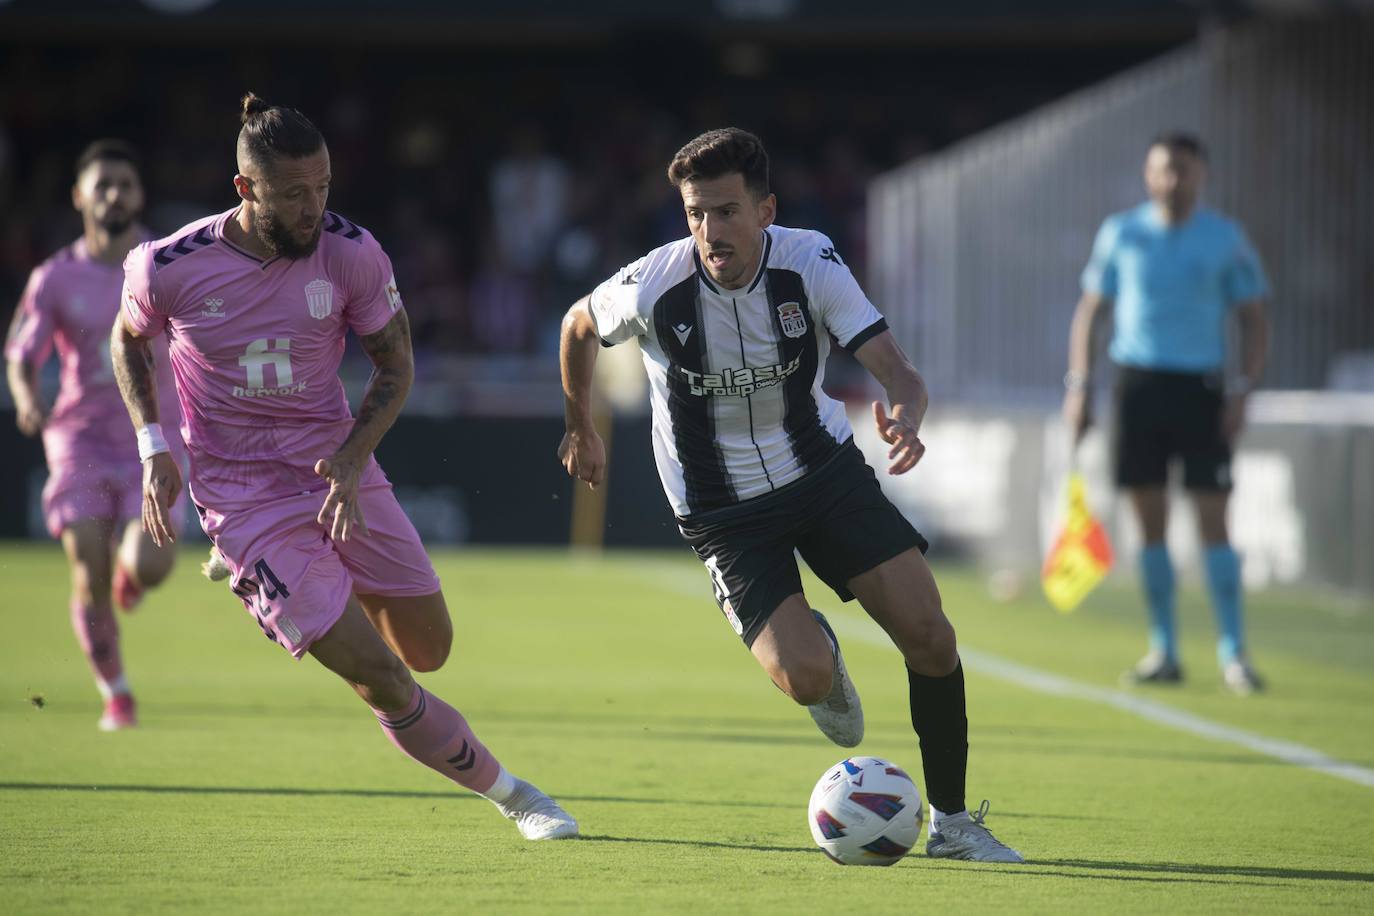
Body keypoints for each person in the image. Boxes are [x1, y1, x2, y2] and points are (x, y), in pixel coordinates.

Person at [110, 92, 577, 840]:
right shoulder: (169, 266)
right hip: (242, 500)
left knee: (429, 649)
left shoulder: (352, 252)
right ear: (245, 189)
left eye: (323, 187)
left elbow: (396, 366)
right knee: (385, 679)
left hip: (336, 474)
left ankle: (307, 586)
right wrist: (153, 445)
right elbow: (128, 339)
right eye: (294, 194)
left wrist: (356, 459)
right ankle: (518, 797)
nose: (313, 207)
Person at [558, 127, 1023, 863]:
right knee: (806, 680)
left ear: (766, 210)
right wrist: (581, 423)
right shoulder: (655, 282)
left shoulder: (811, 261)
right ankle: (821, 654)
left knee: (931, 635)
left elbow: (899, 372)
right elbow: (578, 323)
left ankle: (956, 823)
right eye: (695, 213)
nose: (711, 231)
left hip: (823, 476)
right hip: (722, 515)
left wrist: (905, 413)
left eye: (727, 211)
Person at [1064, 132, 1270, 695]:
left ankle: (1234, 652)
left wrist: (1244, 389)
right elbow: (1091, 311)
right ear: (1147, 175)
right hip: (1138, 387)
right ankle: (1165, 649)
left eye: (1183, 170)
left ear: (1202, 174)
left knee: (1213, 521)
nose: (1173, 180)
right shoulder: (1121, 232)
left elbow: (1253, 317)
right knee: (1149, 521)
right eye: (1163, 170)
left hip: (1201, 389)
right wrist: (1079, 386)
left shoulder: (1225, 238)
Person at [5, 140, 186, 731]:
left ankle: (131, 576)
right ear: (80, 195)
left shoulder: (166, 262)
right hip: (79, 438)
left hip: (152, 434)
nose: (114, 194)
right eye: (102, 183)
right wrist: (29, 399)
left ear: (140, 196)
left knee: (151, 565)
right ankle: (117, 693)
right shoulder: (54, 277)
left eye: (125, 184)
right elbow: (21, 355)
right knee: (87, 567)